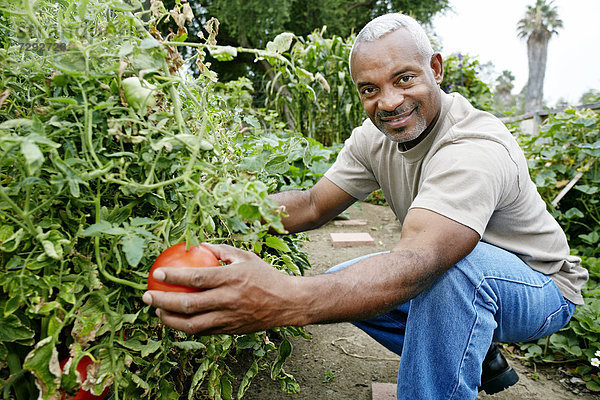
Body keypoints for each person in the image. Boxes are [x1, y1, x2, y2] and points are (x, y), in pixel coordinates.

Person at [142, 13, 588, 399]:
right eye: (369, 89)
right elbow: (314, 204)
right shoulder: (375, 139)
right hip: (459, 273)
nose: (388, 102)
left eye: (404, 78)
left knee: (451, 274)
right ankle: (472, 346)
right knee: (342, 283)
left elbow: (420, 260)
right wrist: (223, 210)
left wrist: (285, 298)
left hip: (539, 286)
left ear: (435, 68)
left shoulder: (473, 147)